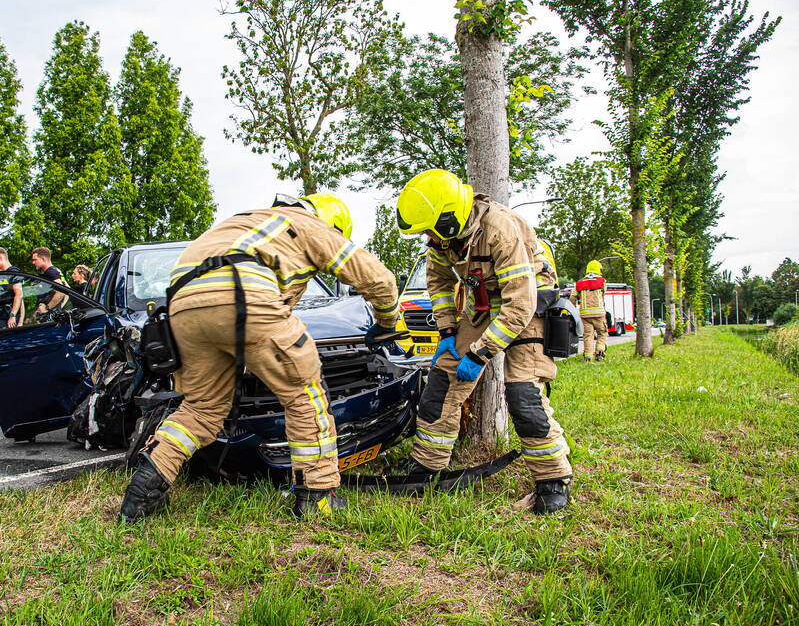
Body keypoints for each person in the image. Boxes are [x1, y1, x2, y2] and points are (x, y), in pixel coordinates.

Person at [119, 193, 400, 522]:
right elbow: (379, 279)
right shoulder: (311, 225)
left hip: (182, 308)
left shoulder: (244, 221)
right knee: (304, 395)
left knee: (200, 408)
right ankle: (318, 496)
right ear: (332, 224)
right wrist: (386, 324)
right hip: (242, 293)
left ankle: (143, 490)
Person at [392, 169, 573, 514]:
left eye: (430, 229)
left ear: (450, 218)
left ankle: (553, 479)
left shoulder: (500, 230)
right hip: (484, 304)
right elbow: (440, 283)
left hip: (530, 305)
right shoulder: (442, 241)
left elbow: (520, 304)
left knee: (523, 396)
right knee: (441, 384)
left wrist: (481, 352)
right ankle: (427, 466)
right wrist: (447, 332)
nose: (427, 237)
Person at [571, 260, 607, 361]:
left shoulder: (579, 283)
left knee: (588, 335)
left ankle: (588, 357)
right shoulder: (602, 281)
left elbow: (572, 297)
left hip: (585, 314)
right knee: (602, 333)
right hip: (599, 313)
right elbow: (604, 292)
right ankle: (600, 353)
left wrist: (573, 309)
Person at [30, 247, 68, 321]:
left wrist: (47, 308)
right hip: (55, 315)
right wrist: (59, 307)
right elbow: (67, 289)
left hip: (50, 317)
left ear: (43, 259)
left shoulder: (50, 272)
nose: (33, 262)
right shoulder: (56, 270)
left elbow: (61, 292)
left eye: (35, 260)